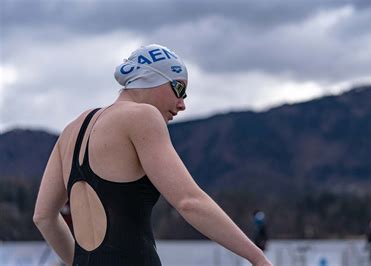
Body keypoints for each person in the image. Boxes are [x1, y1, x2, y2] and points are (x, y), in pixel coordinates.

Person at [33, 44, 272, 266]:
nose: (182, 104)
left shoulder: (71, 130)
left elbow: (43, 217)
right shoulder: (142, 117)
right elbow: (190, 202)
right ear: (151, 79)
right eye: (179, 89)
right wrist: (258, 258)